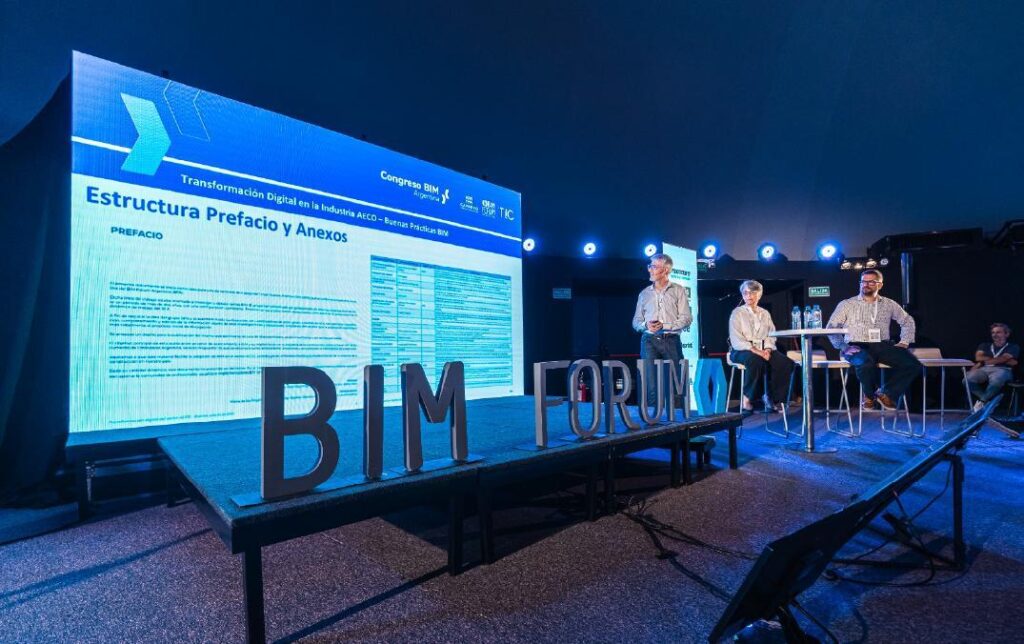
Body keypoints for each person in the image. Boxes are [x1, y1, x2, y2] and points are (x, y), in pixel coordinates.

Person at [826, 269, 921, 410]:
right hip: (856, 345)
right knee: (865, 363)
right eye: (863, 281)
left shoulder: (889, 304)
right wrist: (844, 347)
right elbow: (831, 328)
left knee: (913, 365)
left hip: (882, 345)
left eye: (871, 282)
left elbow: (907, 321)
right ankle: (869, 396)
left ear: (880, 285)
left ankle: (885, 393)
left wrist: (904, 341)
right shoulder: (847, 304)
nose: (866, 284)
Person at [632, 253, 692, 405]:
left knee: (676, 384)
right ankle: (653, 418)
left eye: (653, 266)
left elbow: (686, 318)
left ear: (665, 270)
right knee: (651, 385)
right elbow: (636, 321)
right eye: (649, 266)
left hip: (670, 339)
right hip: (649, 341)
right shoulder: (644, 294)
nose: (650, 270)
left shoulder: (678, 290)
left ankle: (678, 418)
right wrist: (646, 325)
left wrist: (664, 326)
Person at [728, 280, 793, 413]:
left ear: (759, 294)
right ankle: (746, 399)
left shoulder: (765, 313)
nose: (748, 296)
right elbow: (736, 339)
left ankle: (772, 397)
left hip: (764, 349)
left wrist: (768, 349)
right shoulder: (737, 313)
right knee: (755, 360)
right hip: (742, 349)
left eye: (752, 293)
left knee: (785, 363)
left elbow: (771, 334)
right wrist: (757, 351)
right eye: (745, 293)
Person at [965, 323, 1019, 410]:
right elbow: (978, 357)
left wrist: (983, 362)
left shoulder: (1013, 347)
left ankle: (982, 402)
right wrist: (1002, 360)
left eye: (998, 332)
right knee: (967, 380)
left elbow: (1005, 358)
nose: (995, 335)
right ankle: (988, 402)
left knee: (997, 380)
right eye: (993, 332)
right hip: (984, 369)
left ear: (1007, 334)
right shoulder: (984, 345)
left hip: (1003, 369)